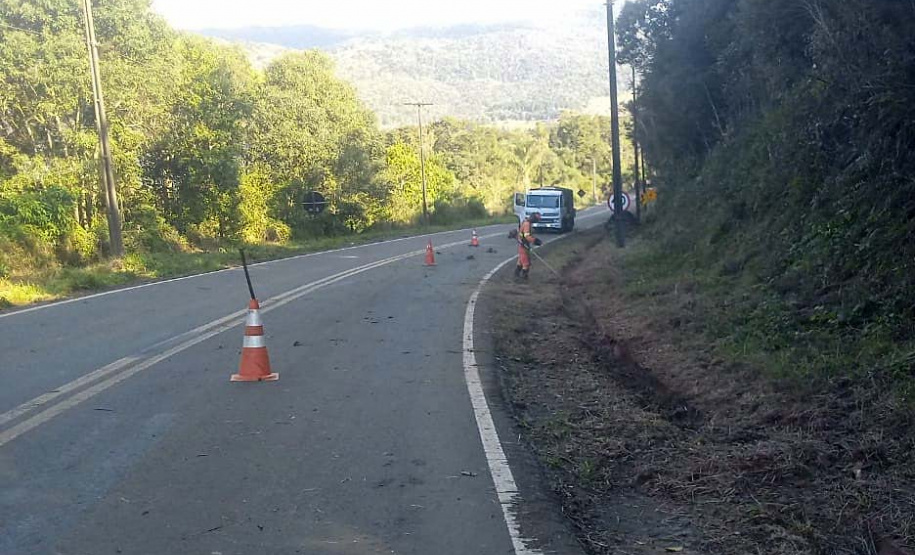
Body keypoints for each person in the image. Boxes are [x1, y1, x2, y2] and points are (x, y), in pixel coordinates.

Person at [514, 212, 543, 280]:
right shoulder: (527, 224)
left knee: (521, 260)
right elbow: (527, 236)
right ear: (534, 219)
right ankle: (524, 276)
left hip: (523, 244)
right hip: (523, 244)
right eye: (537, 220)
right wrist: (535, 241)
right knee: (526, 262)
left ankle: (516, 274)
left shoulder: (526, 222)